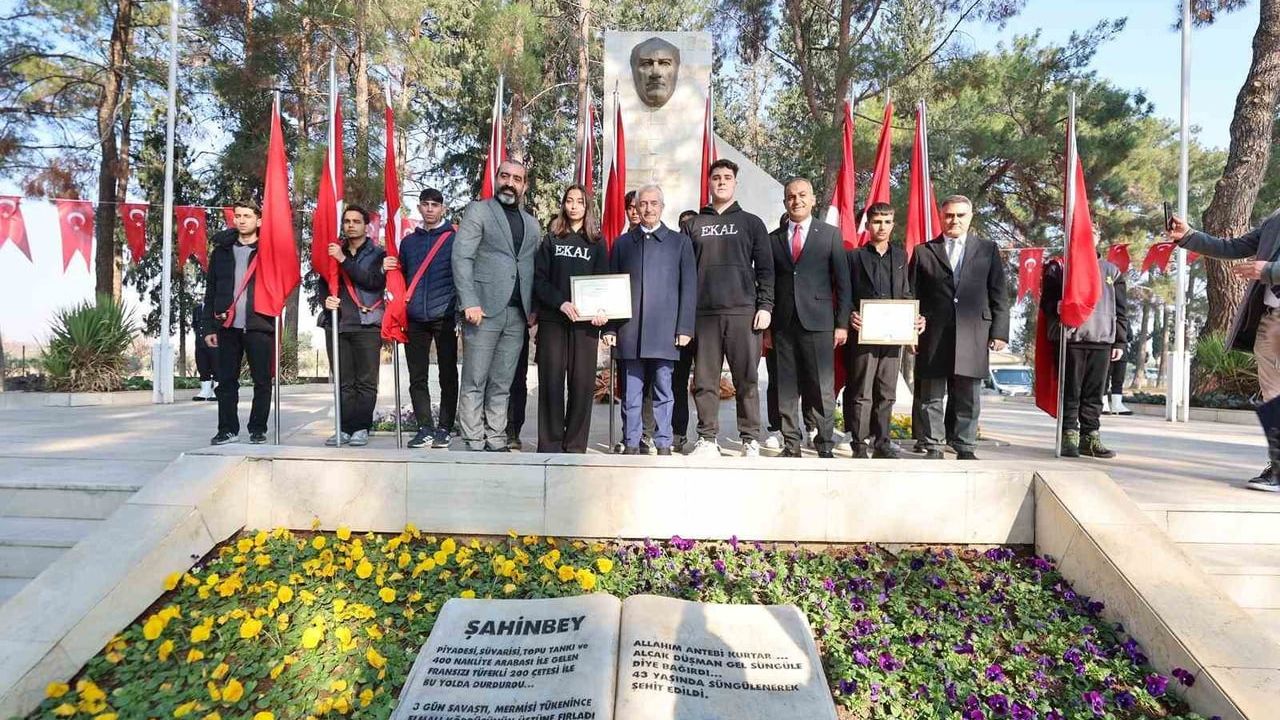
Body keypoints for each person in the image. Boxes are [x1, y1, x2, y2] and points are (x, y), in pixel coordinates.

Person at [1167, 210, 1280, 490]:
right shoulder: (1276, 219)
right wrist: (1189, 236)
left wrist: (1269, 271)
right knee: (1274, 397)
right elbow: (1234, 247)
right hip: (1272, 320)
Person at [684, 159, 775, 457]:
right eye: (716, 177)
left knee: (746, 379)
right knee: (704, 382)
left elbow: (766, 270)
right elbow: (683, 273)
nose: (721, 182)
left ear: (735, 183)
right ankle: (707, 439)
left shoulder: (752, 223)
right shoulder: (693, 225)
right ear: (709, 183)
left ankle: (750, 438)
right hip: (704, 316)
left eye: (727, 177)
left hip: (743, 314)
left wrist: (765, 306)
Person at [910, 195, 1010, 460]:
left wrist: (1000, 331)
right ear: (941, 217)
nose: (954, 220)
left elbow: (999, 292)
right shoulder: (923, 251)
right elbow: (911, 294)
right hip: (933, 333)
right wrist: (910, 330)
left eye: (960, 215)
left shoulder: (987, 249)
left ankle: (965, 446)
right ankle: (934, 445)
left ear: (970, 217)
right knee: (931, 394)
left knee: (968, 395)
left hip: (973, 332)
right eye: (949, 215)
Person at [452, 160, 540, 452]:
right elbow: (462, 257)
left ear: (524, 185)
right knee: (475, 378)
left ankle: (496, 436)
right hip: (482, 311)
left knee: (503, 381)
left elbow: (532, 267)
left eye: (517, 179)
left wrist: (533, 308)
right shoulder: (479, 211)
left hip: (517, 315)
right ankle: (473, 438)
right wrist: (469, 301)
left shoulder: (532, 224)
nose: (510, 183)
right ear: (496, 178)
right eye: (505, 176)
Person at [603, 185, 697, 454]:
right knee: (631, 393)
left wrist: (685, 327)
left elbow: (689, 287)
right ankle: (632, 442)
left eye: (654, 203)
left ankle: (664, 442)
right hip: (630, 331)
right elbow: (612, 286)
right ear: (636, 207)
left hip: (665, 332)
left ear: (662, 207)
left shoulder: (680, 243)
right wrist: (610, 328)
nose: (648, 208)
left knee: (664, 391)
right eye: (643, 204)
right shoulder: (622, 244)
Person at [765, 178, 850, 458]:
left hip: (819, 323)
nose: (797, 200)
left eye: (802, 195)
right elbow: (767, 283)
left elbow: (843, 283)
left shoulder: (829, 235)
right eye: (791, 196)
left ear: (813, 200)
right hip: (783, 324)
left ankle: (824, 444)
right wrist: (768, 325)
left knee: (821, 386)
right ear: (784, 202)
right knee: (786, 387)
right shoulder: (773, 239)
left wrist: (841, 324)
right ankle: (791, 444)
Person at [534, 185, 610, 452]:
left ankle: (576, 445)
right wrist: (561, 303)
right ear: (563, 205)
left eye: (579, 201)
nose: (574, 206)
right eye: (569, 200)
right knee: (551, 383)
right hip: (553, 321)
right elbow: (539, 281)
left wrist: (601, 311)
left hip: (585, 326)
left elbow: (603, 282)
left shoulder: (597, 242)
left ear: (587, 206)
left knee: (582, 384)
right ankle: (550, 443)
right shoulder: (552, 239)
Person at [846, 202, 924, 459]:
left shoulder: (901, 257)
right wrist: (850, 315)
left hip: (894, 334)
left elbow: (906, 293)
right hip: (864, 333)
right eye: (877, 221)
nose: (882, 227)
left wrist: (914, 321)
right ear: (868, 225)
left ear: (893, 225)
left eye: (887, 222)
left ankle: (882, 442)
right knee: (862, 391)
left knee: (887, 391)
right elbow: (845, 294)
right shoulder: (854, 257)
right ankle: (859, 444)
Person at [387, 188, 457, 449]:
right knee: (417, 377)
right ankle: (424, 428)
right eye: (425, 204)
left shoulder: (454, 239)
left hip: (445, 315)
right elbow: (402, 277)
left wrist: (459, 311)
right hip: (415, 316)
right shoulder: (408, 243)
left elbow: (462, 274)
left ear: (442, 208)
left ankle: (445, 428)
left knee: (448, 375)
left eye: (435, 205)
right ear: (418, 208)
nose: (429, 209)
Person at [1040, 252, 1127, 458]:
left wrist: (1120, 341)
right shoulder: (1059, 267)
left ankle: (1090, 436)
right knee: (1070, 391)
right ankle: (1069, 434)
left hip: (1102, 339)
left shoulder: (1111, 271)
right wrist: (1058, 306)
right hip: (1070, 339)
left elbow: (1121, 309)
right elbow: (1047, 302)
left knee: (1095, 393)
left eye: (1093, 235)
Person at [203, 200, 275, 445]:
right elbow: (210, 290)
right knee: (226, 381)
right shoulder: (221, 252)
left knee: (262, 381)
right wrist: (208, 326)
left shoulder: (268, 250)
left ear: (259, 220)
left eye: (247, 216)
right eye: (238, 216)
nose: (242, 220)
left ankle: (258, 428)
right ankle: (227, 429)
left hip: (259, 325)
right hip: (227, 326)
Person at [319, 205, 387, 447]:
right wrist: (325, 301)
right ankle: (344, 428)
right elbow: (324, 282)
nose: (350, 225)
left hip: (366, 324)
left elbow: (373, 282)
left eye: (356, 221)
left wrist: (343, 260)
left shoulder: (378, 254)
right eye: (347, 221)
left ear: (366, 226)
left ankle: (361, 427)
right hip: (337, 325)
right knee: (343, 381)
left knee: (366, 382)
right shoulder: (334, 250)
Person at [192, 302, 216, 401]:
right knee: (202, 365)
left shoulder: (216, 306)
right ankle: (205, 391)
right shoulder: (197, 309)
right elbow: (195, 324)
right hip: (200, 342)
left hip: (214, 341)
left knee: (216, 365)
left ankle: (217, 390)